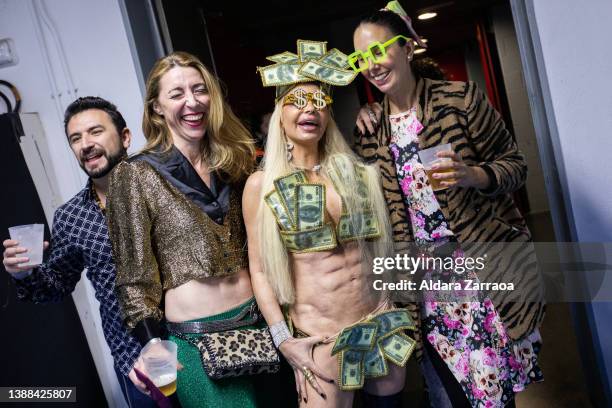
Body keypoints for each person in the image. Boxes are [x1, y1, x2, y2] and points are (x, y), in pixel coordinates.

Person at [350, 2, 544, 407]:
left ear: (406, 48)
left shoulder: (459, 100)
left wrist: (475, 175)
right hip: (425, 287)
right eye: (361, 57)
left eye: (379, 51)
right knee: (447, 393)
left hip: (480, 275)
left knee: (491, 393)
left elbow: (515, 166)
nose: (372, 64)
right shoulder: (370, 130)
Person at [106, 51, 286, 408]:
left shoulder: (234, 160)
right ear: (156, 107)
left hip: (259, 326)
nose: (192, 102)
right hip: (195, 345)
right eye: (176, 94)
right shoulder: (135, 175)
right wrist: (151, 343)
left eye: (199, 90)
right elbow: (133, 275)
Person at [244, 40, 417, 408]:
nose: (311, 110)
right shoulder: (262, 185)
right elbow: (258, 271)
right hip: (321, 341)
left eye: (320, 102)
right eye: (298, 101)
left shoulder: (353, 170)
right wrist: (282, 339)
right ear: (279, 113)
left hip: (378, 324)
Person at [1, 96, 156, 407]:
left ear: (125, 137)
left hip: (189, 346)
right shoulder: (71, 217)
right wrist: (24, 272)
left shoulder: (161, 188)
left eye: (95, 131)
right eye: (76, 138)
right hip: (134, 362)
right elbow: (55, 285)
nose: (86, 144)